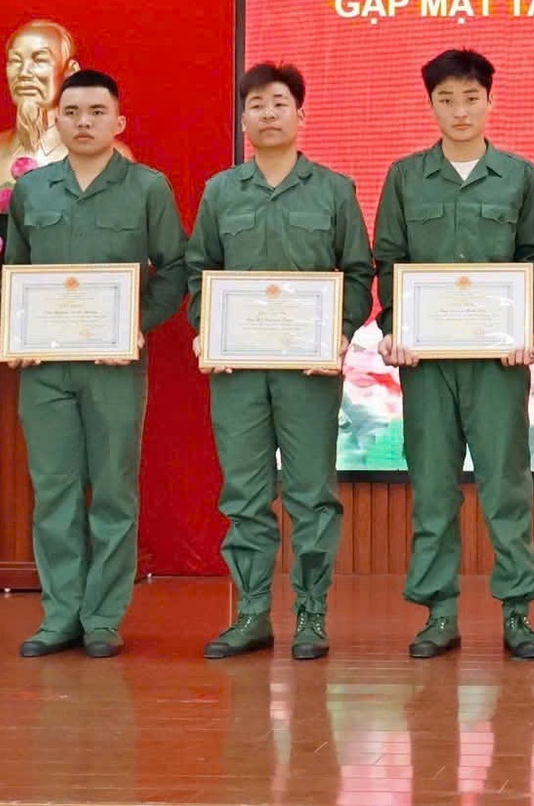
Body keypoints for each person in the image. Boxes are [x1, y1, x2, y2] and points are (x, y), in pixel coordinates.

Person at [186, 63, 374, 661]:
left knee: (311, 493)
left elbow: (358, 272)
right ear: (243, 119)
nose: (268, 114)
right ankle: (250, 613)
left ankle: (311, 614)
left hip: (308, 372)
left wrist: (339, 333)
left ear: (301, 115)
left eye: (279, 103)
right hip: (237, 372)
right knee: (244, 494)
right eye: (257, 105)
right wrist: (207, 330)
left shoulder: (334, 190)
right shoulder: (221, 191)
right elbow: (199, 270)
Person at [372, 49, 534, 660]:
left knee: (506, 485)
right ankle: (438, 613)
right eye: (446, 100)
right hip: (426, 363)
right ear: (431, 105)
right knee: (433, 486)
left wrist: (525, 327)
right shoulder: (405, 177)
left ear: (490, 101)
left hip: (498, 364)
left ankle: (518, 612)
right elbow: (389, 260)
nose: (460, 111)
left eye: (471, 98)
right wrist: (395, 328)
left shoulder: (520, 176)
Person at [0, 69, 187, 659]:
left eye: (97, 112)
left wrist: (137, 324)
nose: (84, 122)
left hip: (113, 365)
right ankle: (60, 615)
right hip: (46, 368)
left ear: (119, 121)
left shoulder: (148, 188)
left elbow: (176, 268)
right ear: (55, 120)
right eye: (73, 112)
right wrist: (21, 331)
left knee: (112, 491)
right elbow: (16, 273)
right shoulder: (32, 191)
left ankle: (103, 617)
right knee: (53, 491)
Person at [0, 20, 134, 186]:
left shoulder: (111, 159)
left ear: (70, 72)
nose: (24, 72)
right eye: (15, 61)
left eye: (39, 60)